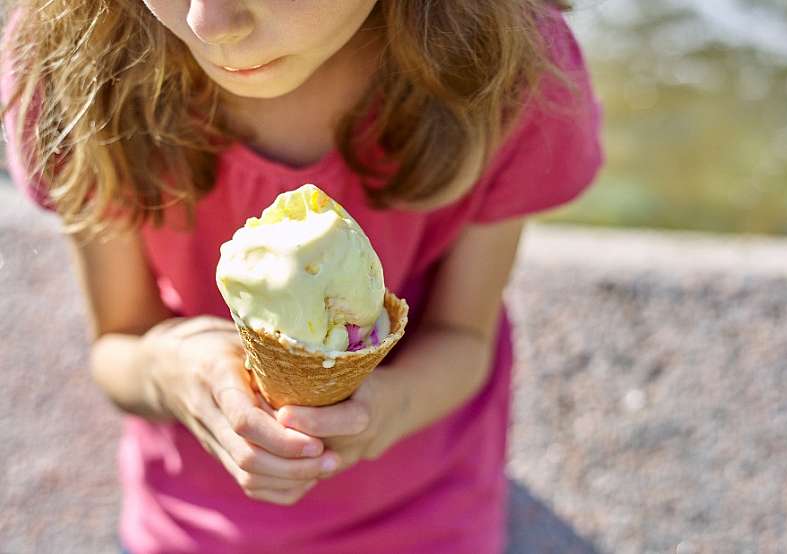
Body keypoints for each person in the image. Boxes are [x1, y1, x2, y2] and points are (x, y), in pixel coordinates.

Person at [1, 1, 602, 552]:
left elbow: (464, 338)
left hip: (426, 513)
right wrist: (170, 370)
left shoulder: (509, 68)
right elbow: (118, 345)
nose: (210, 23)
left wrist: (387, 408)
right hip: (194, 523)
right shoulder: (75, 59)